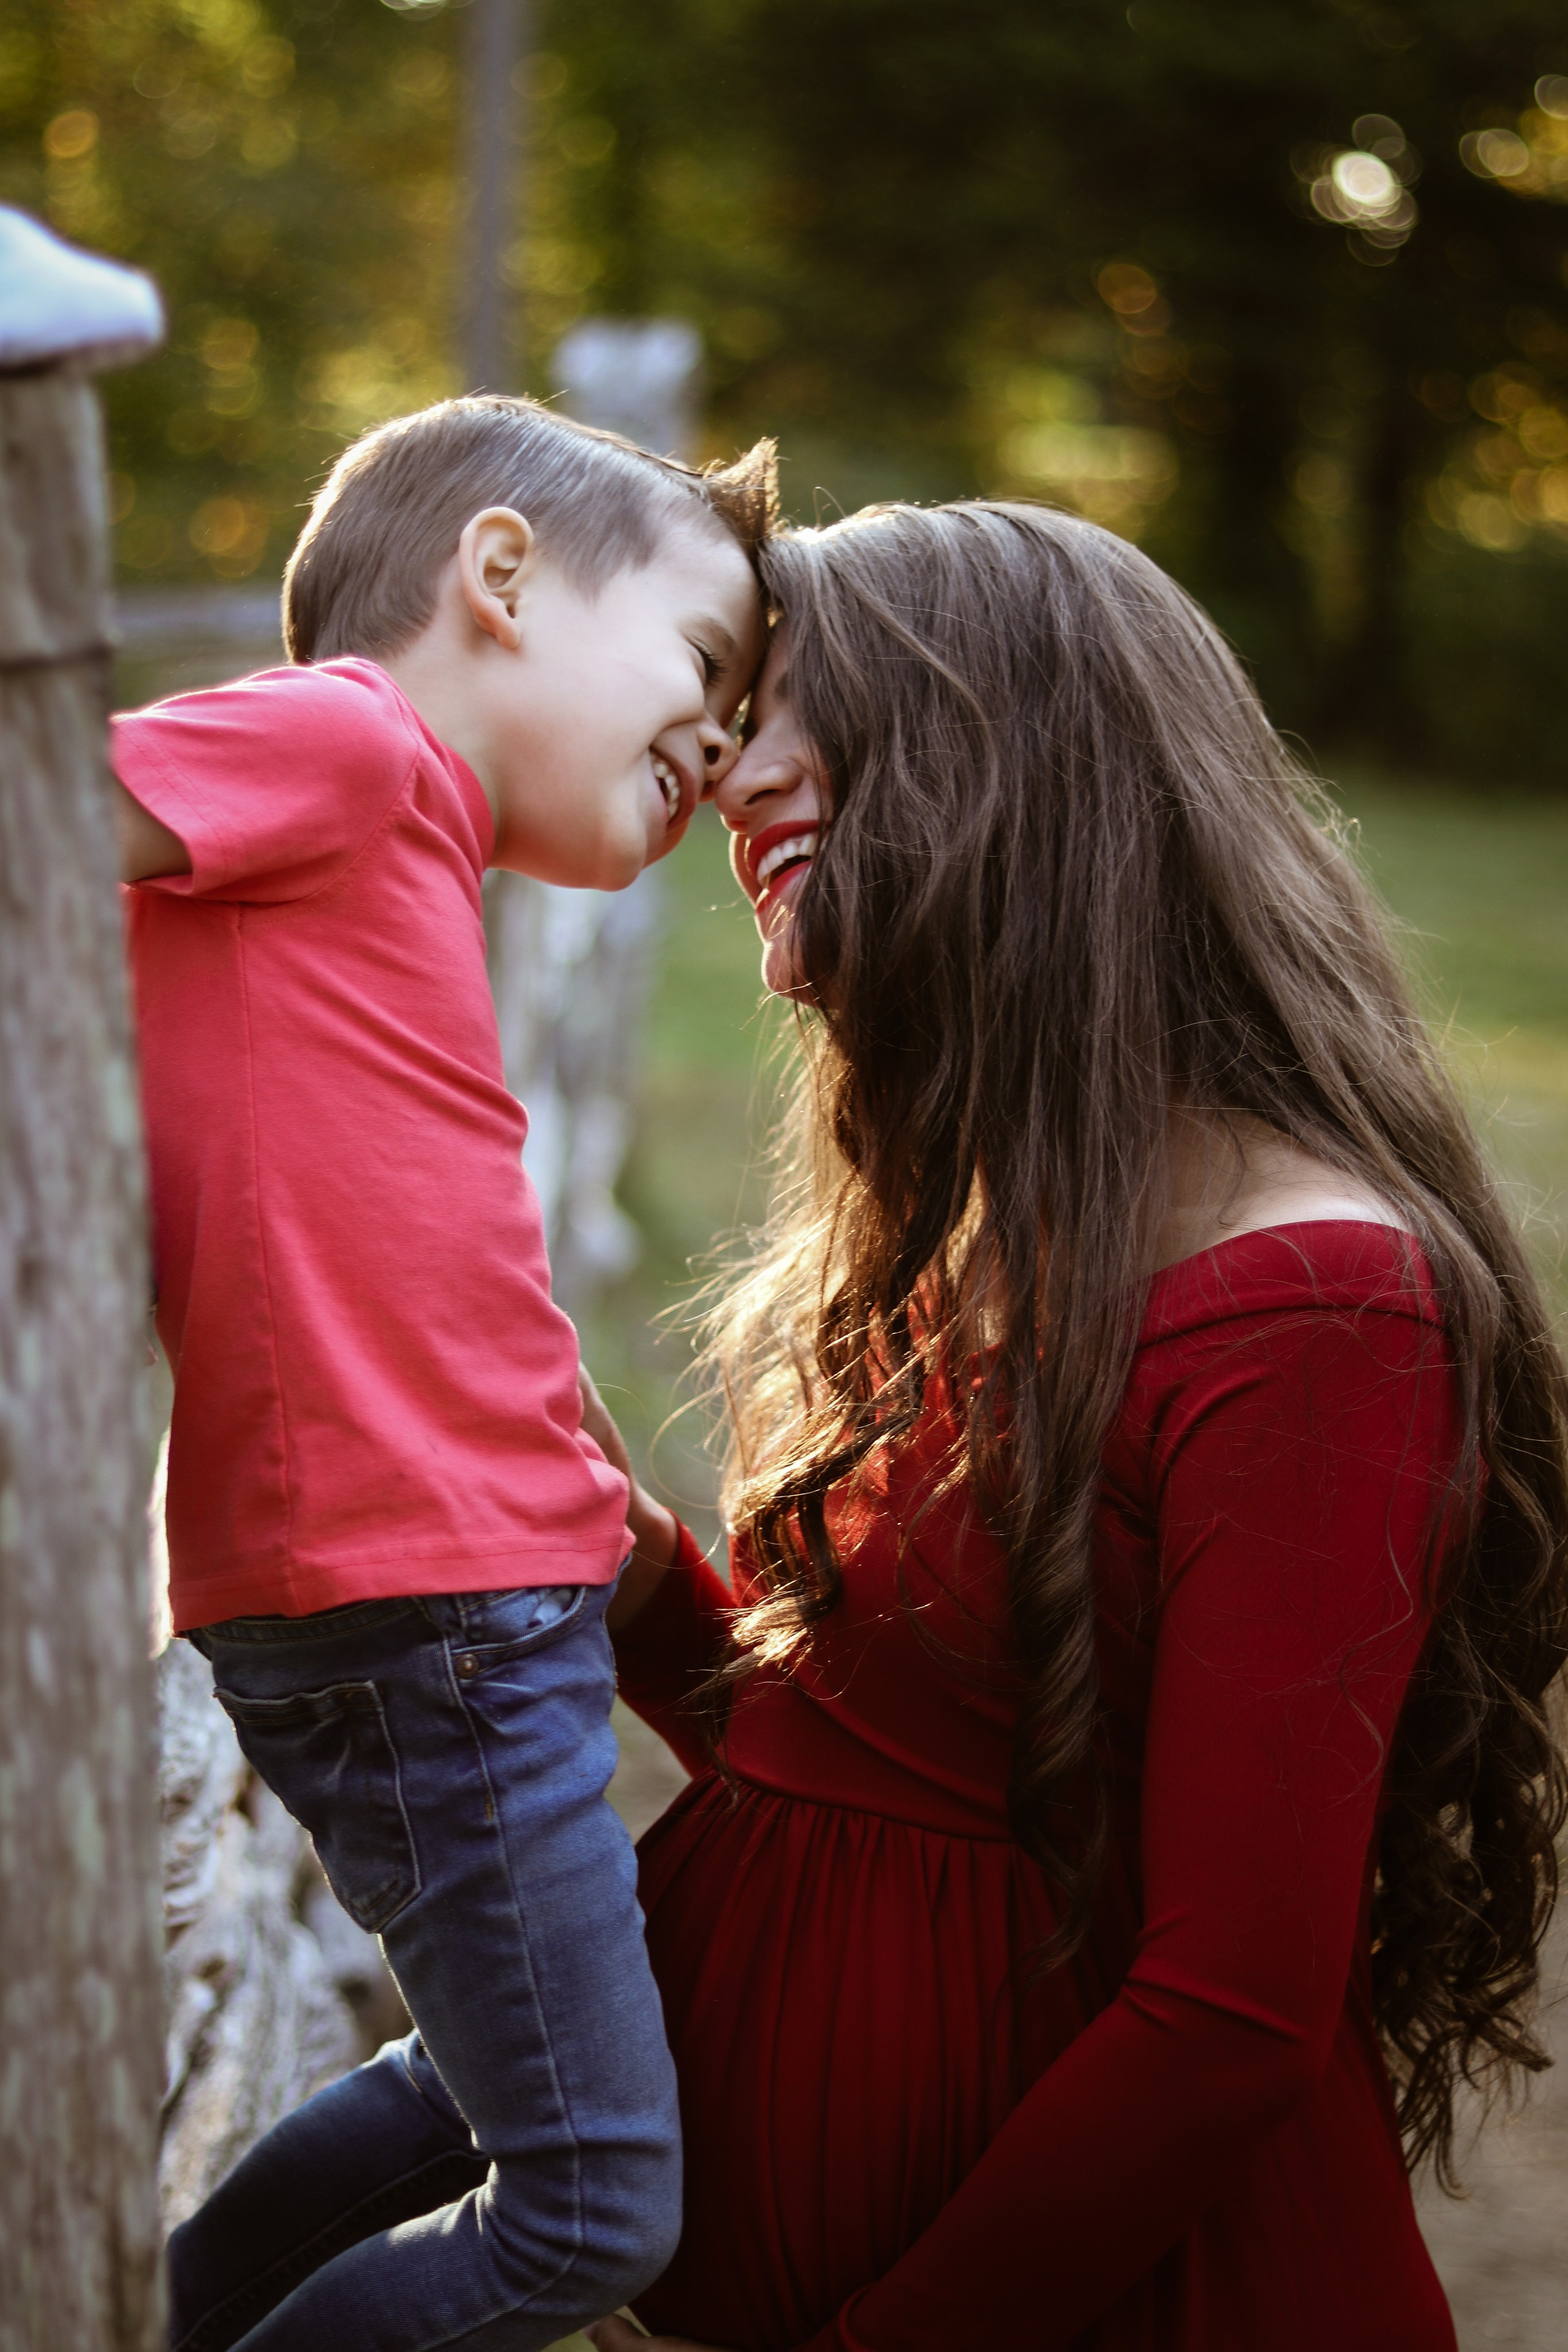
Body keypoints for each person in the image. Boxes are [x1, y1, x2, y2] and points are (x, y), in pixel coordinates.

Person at [579, 502, 1568, 2352]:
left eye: (806, 712)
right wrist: (637, 1582)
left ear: (1016, 757)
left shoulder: (1316, 1313)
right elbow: (882, 1773)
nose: (734, 771)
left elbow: (1228, 2018)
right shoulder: (1010, 1233)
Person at [111, 396, 771, 2352]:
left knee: (489, 2097)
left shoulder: (392, 843)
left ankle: (152, 2319)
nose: (723, 743)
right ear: (501, 580)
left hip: (464, 1600)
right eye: (704, 665)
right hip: (424, 1609)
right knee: (589, 2215)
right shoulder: (344, 744)